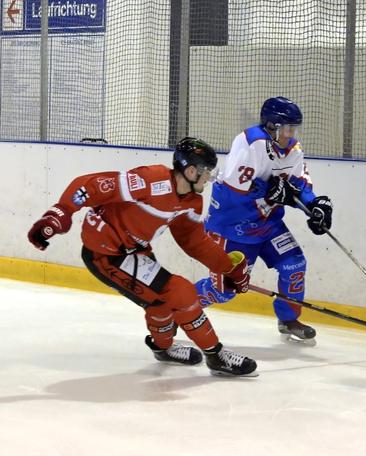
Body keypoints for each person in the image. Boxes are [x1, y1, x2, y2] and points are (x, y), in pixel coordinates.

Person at [27, 137, 257, 377]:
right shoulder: (151, 180)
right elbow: (91, 185)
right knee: (180, 291)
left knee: (160, 302)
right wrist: (61, 212)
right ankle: (216, 355)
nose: (209, 178)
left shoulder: (191, 202)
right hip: (105, 254)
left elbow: (194, 242)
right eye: (207, 172)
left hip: (135, 251)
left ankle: (163, 348)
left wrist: (228, 268)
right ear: (191, 171)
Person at [195, 96, 333, 342]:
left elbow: (298, 184)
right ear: (271, 126)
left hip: (268, 226)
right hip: (232, 228)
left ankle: (288, 319)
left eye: (294, 128)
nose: (291, 133)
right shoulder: (250, 142)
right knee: (224, 291)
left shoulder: (292, 149)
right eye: (287, 128)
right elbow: (234, 190)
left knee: (294, 265)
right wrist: (272, 190)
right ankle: (176, 309)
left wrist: (314, 205)